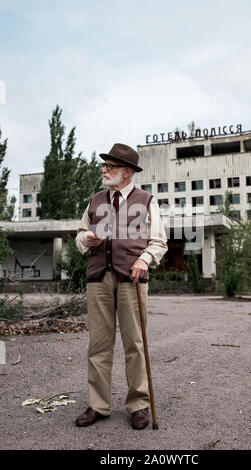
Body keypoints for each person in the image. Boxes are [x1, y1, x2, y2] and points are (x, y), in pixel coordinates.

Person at [75, 143, 168, 430]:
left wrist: (145, 259)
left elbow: (159, 242)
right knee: (98, 345)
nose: (104, 171)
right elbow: (80, 236)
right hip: (99, 278)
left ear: (125, 172)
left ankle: (138, 404)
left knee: (135, 344)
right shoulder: (95, 199)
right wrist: (86, 240)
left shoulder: (146, 200)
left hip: (132, 277)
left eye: (110, 167)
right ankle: (98, 405)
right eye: (104, 166)